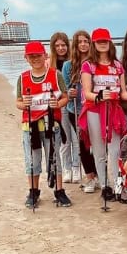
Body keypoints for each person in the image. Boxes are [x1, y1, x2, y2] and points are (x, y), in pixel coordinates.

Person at [78, 27, 127, 201]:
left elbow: (123, 92)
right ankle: (105, 185)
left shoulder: (118, 66)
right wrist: (100, 96)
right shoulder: (88, 65)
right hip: (95, 111)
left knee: (116, 149)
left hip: (114, 110)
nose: (103, 44)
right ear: (94, 44)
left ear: (109, 43)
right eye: (99, 41)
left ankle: (118, 184)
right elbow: (86, 93)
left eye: (105, 41)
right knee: (99, 150)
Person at [16, 41, 72, 207]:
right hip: (30, 126)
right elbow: (18, 102)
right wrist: (23, 103)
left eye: (38, 55)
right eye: (31, 56)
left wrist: (58, 104)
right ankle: (33, 191)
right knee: (32, 160)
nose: (35, 59)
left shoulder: (56, 75)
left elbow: (65, 97)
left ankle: (59, 191)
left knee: (55, 159)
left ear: (45, 55)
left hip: (51, 125)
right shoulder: (23, 78)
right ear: (26, 58)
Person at [61, 30, 99, 193]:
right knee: (83, 144)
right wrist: (70, 92)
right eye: (79, 42)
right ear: (75, 45)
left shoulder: (95, 63)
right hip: (75, 109)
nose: (83, 44)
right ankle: (90, 176)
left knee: (98, 144)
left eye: (86, 41)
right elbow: (64, 89)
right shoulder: (68, 66)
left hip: (94, 109)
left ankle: (100, 175)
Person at [49, 32, 80, 184]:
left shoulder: (72, 63)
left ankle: (76, 167)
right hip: (59, 104)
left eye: (63, 45)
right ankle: (66, 168)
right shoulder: (51, 65)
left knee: (76, 138)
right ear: (53, 47)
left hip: (72, 104)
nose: (61, 48)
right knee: (64, 139)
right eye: (58, 46)